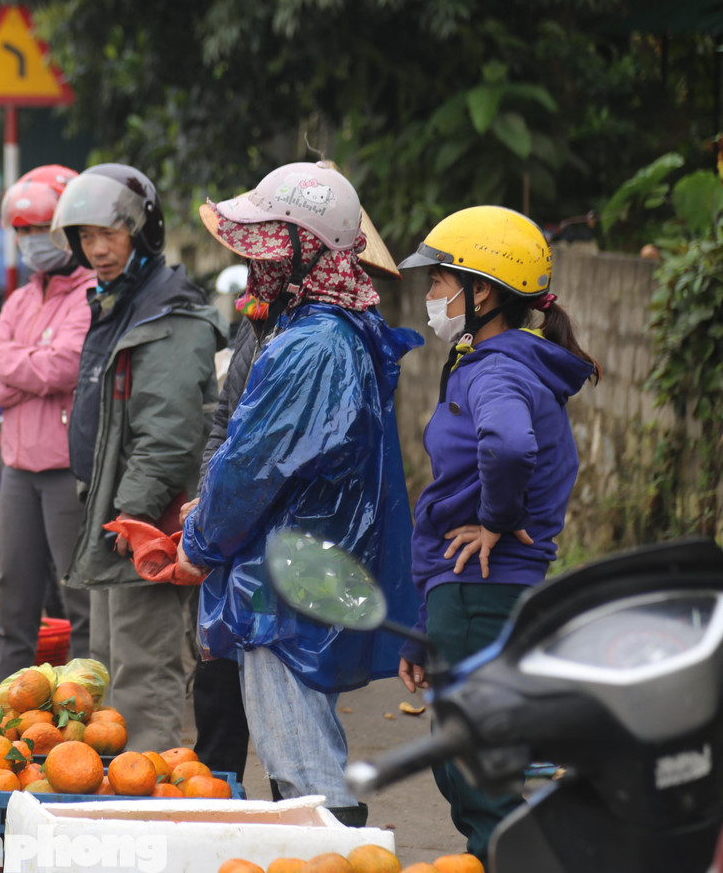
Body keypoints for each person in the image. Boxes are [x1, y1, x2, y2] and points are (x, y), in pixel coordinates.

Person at [177, 161, 421, 827]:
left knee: (301, 756)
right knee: (301, 740)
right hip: (303, 559)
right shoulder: (336, 328)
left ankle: (336, 849)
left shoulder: (310, 344)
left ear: (305, 250)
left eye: (266, 249)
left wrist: (199, 540)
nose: (254, 268)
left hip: (285, 577)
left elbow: (253, 466)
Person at [395, 205, 600, 861]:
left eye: (438, 282)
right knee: (469, 768)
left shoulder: (499, 368)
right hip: (467, 595)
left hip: (483, 587)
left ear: (480, 291)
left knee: (481, 775)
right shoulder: (492, 361)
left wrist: (496, 520)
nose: (430, 296)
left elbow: (508, 447)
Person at [52, 163, 226, 752]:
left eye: (110, 234)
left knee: (142, 671)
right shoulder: (119, 302)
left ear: (143, 232)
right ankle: (114, 798)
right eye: (85, 237)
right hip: (114, 515)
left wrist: (134, 513)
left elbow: (169, 432)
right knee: (107, 664)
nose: (96, 249)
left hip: (142, 521)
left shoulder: (168, 315)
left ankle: (146, 800)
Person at [0, 165, 96, 700]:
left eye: (39, 229)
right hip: (18, 469)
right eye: (20, 230)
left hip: (67, 470)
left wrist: (12, 365)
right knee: (12, 603)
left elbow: (64, 367)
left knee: (82, 603)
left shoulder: (91, 294)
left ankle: (86, 724)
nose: (28, 242)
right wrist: (24, 367)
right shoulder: (22, 299)